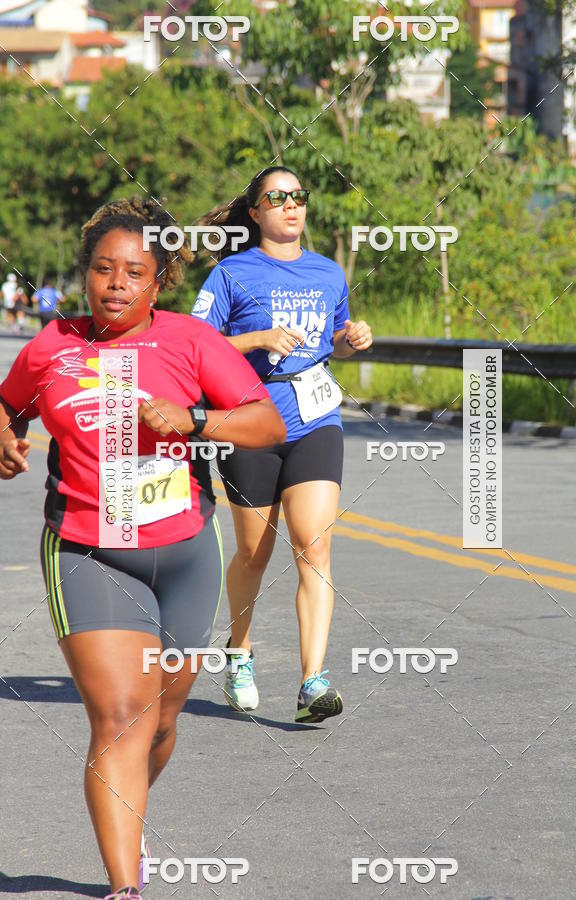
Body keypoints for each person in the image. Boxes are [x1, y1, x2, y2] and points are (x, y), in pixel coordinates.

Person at [0, 197, 285, 900]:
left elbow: (267, 423)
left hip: (183, 552)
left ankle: (130, 813)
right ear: (85, 274)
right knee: (121, 716)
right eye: (104, 269)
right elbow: (7, 404)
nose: (116, 285)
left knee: (158, 722)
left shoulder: (191, 341)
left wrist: (195, 419)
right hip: (88, 551)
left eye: (134, 272)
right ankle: (125, 886)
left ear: (159, 283)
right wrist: (5, 434)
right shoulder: (51, 347)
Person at [192, 166, 373, 723]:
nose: (291, 205)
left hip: (315, 419)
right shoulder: (231, 274)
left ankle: (312, 682)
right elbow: (196, 345)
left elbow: (333, 341)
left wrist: (351, 338)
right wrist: (259, 337)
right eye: (277, 197)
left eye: (298, 196)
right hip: (250, 422)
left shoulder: (328, 272)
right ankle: (239, 651)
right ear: (255, 212)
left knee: (313, 546)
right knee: (254, 553)